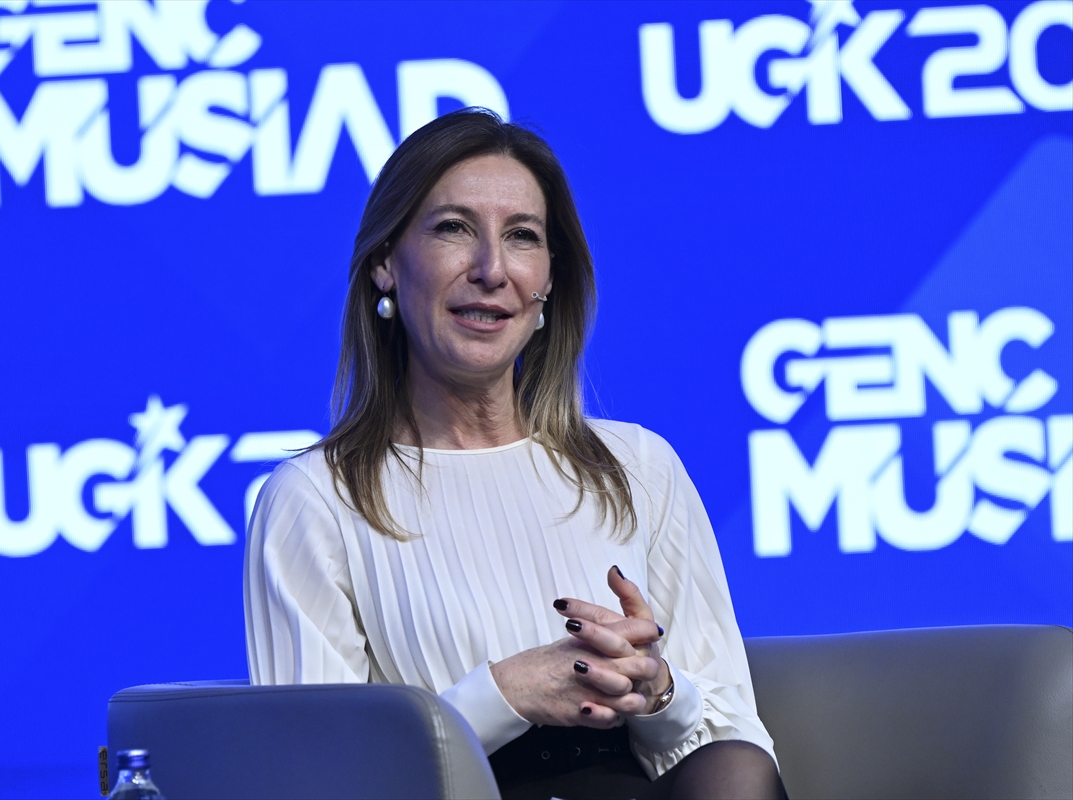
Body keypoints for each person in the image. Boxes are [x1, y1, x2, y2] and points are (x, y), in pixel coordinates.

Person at [244, 108, 786, 800]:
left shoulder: (639, 467)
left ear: (549, 280)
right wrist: (501, 695)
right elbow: (318, 780)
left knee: (736, 771)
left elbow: (733, 732)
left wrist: (657, 692)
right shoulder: (316, 499)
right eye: (453, 228)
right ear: (385, 264)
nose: (491, 269)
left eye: (522, 236)